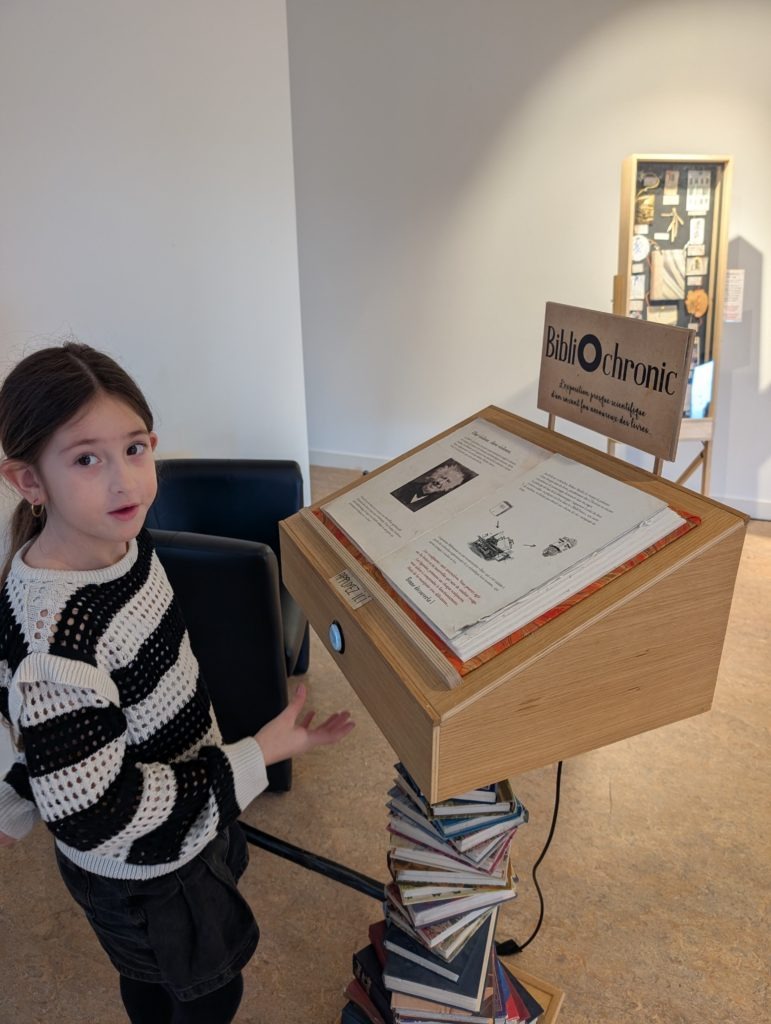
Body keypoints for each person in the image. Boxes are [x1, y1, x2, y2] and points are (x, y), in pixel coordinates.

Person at [0, 343, 355, 1023]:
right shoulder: (58, 641)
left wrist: (19, 801)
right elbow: (97, 814)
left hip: (190, 814)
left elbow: (46, 734)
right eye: (86, 459)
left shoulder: (124, 546)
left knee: (166, 976)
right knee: (207, 990)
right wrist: (259, 755)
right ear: (29, 481)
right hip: (145, 873)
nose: (125, 483)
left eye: (134, 449)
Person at [390, 460, 472, 511]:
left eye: (447, 481)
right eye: (442, 477)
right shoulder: (408, 486)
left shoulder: (436, 504)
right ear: (436, 475)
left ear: (448, 487)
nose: (440, 482)